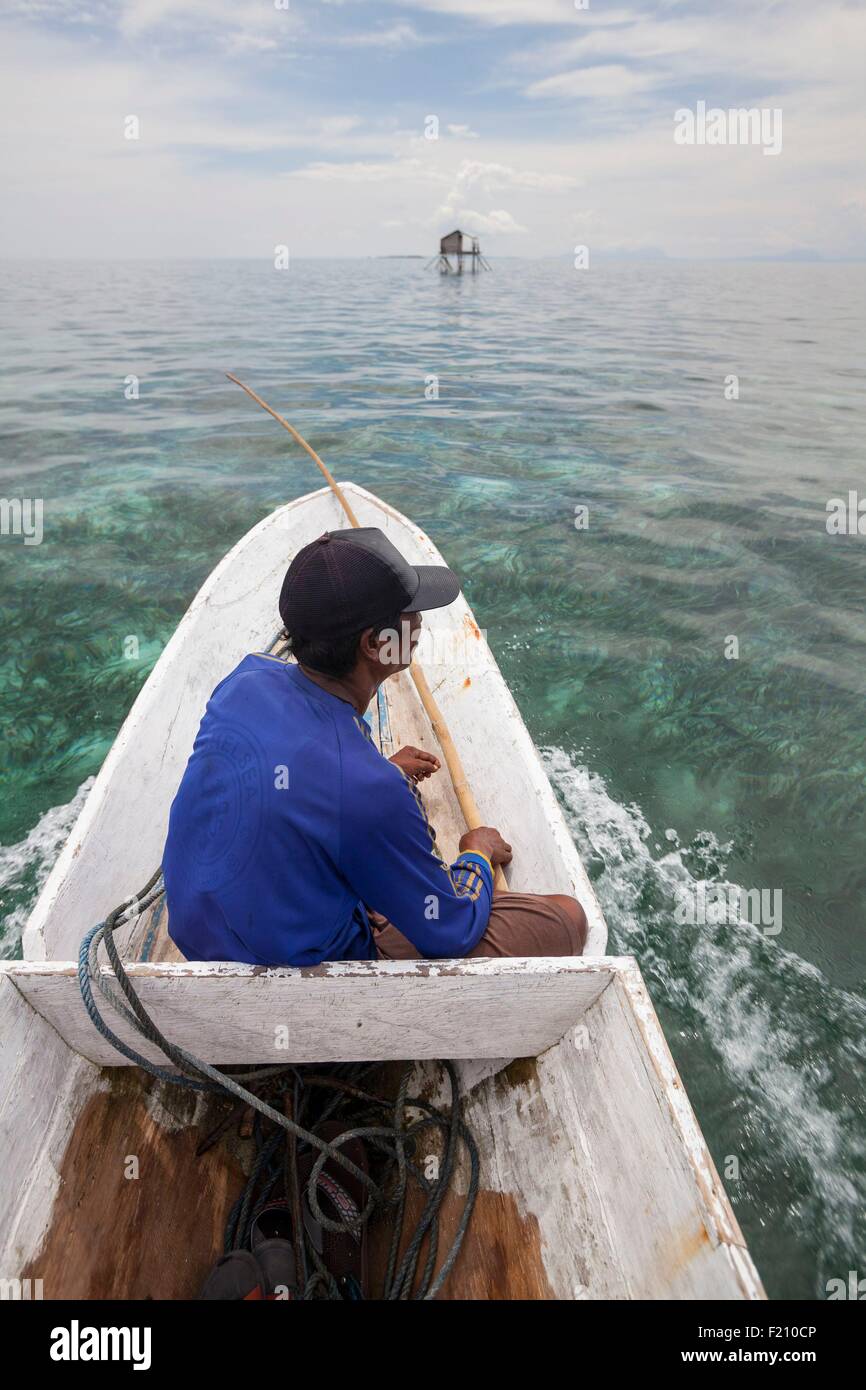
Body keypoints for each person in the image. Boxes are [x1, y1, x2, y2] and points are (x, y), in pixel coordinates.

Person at [162, 527, 586, 965]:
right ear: (374, 644)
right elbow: (450, 929)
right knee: (567, 918)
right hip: (294, 975)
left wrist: (381, 772)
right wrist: (475, 854)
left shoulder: (245, 680)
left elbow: (301, 781)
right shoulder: (370, 790)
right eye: (411, 613)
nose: (420, 623)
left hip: (201, 939)